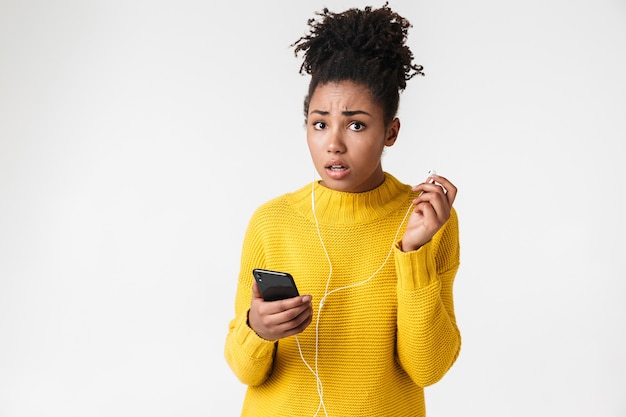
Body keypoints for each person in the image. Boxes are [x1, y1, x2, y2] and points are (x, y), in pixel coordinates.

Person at [224, 3, 461, 416]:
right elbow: (245, 371)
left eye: (356, 124)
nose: (333, 142)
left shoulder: (427, 218)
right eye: (320, 124)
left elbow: (428, 368)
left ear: (391, 131)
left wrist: (414, 253)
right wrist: (256, 330)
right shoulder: (272, 221)